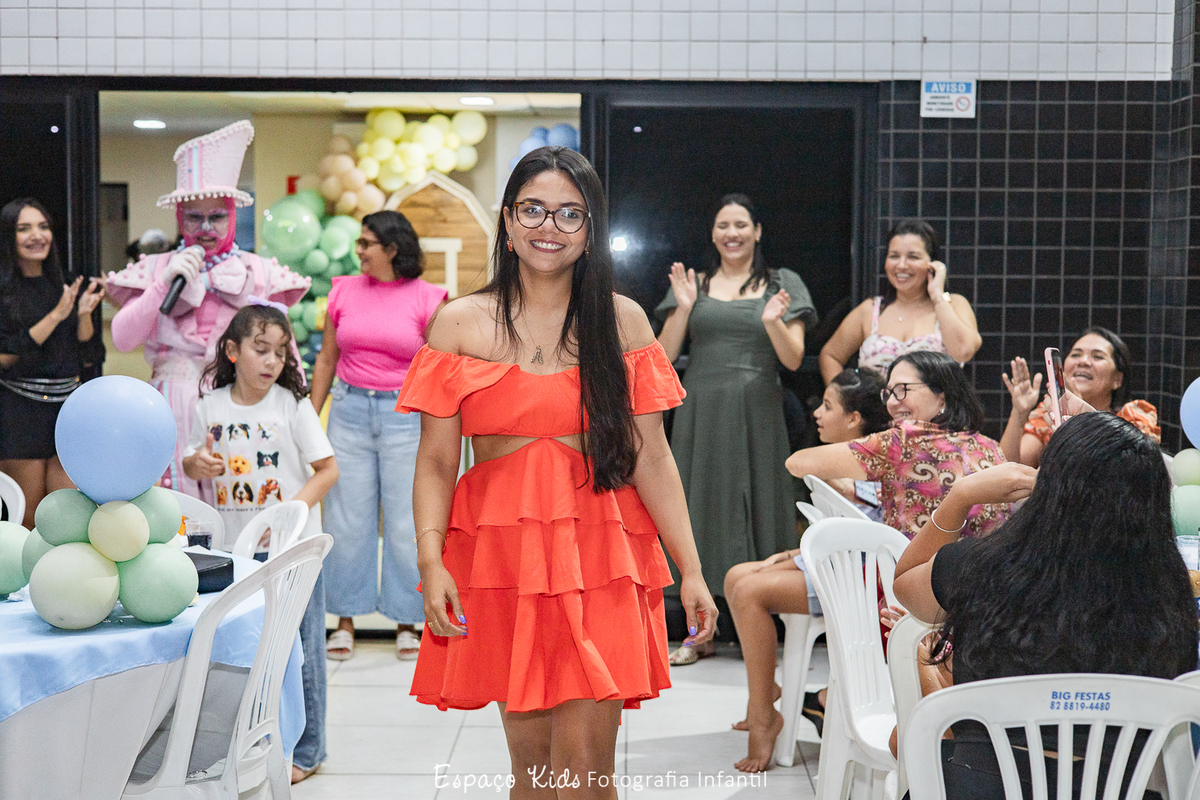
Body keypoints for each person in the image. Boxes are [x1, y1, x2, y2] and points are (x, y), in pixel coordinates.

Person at [397, 146, 718, 799]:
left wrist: (690, 569)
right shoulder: (458, 323)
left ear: (590, 229)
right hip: (502, 560)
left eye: (570, 214)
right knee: (534, 773)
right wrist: (431, 561)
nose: (550, 227)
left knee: (585, 773)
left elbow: (653, 456)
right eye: (534, 210)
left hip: (601, 554)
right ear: (507, 220)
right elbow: (435, 460)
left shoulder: (622, 321)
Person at [892, 412, 1197, 799]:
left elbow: (905, 582)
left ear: (1049, 487)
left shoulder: (982, 566)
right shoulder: (1169, 593)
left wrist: (962, 495)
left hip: (978, 788)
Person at [654, 193, 817, 665]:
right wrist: (684, 308)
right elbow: (662, 357)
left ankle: (757, 632)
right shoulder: (694, 284)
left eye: (741, 224)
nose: (732, 233)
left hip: (758, 412)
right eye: (723, 225)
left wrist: (772, 322)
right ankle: (697, 635)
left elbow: (793, 359)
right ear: (712, 233)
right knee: (697, 511)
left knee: (761, 508)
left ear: (757, 231)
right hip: (701, 413)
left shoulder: (783, 283)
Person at [107, 120, 309, 500]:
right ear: (178, 218)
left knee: (239, 497)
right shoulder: (157, 269)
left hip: (241, 400)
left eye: (216, 216)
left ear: (232, 216)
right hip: (170, 401)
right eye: (193, 217)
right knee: (176, 506)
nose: (206, 228)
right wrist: (162, 285)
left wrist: (300, 418)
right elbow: (122, 339)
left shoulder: (259, 272)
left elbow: (288, 354)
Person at [181, 303, 338, 785]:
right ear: (232, 350)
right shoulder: (209, 407)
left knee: (301, 650)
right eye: (260, 349)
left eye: (280, 352)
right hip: (237, 555)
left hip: (293, 553)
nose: (272, 361)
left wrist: (288, 515)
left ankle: (308, 749)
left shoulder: (292, 405)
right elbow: (191, 458)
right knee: (249, 649)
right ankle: (251, 740)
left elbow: (327, 470)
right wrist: (196, 464)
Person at [723, 368, 891, 773]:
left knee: (748, 591)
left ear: (854, 419)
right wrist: (792, 554)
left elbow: (866, 536)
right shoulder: (840, 460)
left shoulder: (874, 466)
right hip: (839, 563)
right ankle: (764, 691)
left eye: (827, 406)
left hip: (861, 579)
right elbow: (839, 529)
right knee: (735, 576)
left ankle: (764, 716)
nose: (816, 413)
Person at [309, 210, 448, 662]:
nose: (359, 251)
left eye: (367, 243)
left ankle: (408, 621)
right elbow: (327, 359)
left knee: (408, 520)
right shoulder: (343, 290)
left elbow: (438, 368)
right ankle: (345, 620)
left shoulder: (429, 298)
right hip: (348, 412)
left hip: (405, 416)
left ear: (392, 249)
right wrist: (310, 418)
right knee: (347, 520)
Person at [787, 351, 1010, 539]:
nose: (892, 403)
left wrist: (848, 487)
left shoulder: (903, 442)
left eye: (902, 390)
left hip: (917, 576)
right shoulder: (991, 446)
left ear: (941, 396)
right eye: (889, 393)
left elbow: (797, 463)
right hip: (987, 575)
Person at [0, 198, 103, 528]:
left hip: (68, 411)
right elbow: (4, 356)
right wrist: (56, 315)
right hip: (20, 411)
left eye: (43, 227)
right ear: (9, 236)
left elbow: (90, 355)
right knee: (28, 516)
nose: (37, 235)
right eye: (24, 228)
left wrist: (83, 315)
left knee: (68, 516)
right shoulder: (5, 291)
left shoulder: (67, 283)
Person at [818, 219, 980, 382]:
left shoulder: (954, 304)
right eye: (894, 256)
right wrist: (843, 397)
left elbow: (964, 351)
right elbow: (830, 356)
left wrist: (938, 296)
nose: (901, 265)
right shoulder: (870, 310)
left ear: (932, 264)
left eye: (913, 257)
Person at [1002, 327, 1160, 467]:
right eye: (1076, 354)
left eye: (1097, 357)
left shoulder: (1135, 415)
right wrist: (1019, 412)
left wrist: (1079, 418)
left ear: (1117, 380)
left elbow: (1129, 472)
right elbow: (1010, 467)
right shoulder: (1050, 411)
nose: (1083, 362)